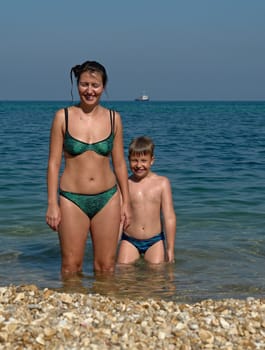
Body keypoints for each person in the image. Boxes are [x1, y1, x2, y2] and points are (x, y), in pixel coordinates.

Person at [46, 60, 131, 277]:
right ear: (77, 85)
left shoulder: (114, 119)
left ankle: (105, 308)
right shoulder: (62, 117)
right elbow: (54, 164)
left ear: (103, 87)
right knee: (70, 267)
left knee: (106, 267)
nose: (89, 91)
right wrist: (52, 204)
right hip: (72, 199)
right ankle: (71, 310)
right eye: (84, 84)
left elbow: (120, 163)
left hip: (108, 198)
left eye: (95, 85)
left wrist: (126, 203)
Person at [117, 136, 176, 265]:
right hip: (129, 239)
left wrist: (170, 248)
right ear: (128, 160)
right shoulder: (125, 184)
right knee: (123, 270)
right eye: (134, 161)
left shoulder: (162, 183)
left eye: (144, 160)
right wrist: (113, 246)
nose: (139, 165)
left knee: (155, 272)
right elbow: (119, 217)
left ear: (152, 161)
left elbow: (169, 217)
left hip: (154, 240)